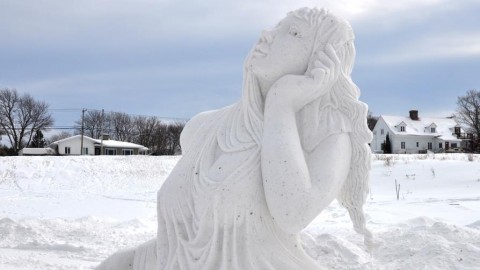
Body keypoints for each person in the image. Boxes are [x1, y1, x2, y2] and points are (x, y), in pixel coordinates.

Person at [97, 7, 372, 270]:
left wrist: (281, 104)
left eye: (295, 33)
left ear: (324, 59)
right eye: (278, 26)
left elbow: (292, 215)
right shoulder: (202, 127)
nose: (267, 34)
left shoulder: (328, 137)